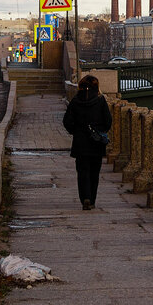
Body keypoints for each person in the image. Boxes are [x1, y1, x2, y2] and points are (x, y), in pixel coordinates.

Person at [62, 74, 112, 210]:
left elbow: (67, 121)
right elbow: (108, 121)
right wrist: (100, 131)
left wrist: (75, 132)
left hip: (80, 143)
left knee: (83, 172)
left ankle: (85, 197)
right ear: (96, 87)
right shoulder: (100, 101)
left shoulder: (75, 101)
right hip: (96, 143)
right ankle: (92, 200)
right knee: (94, 173)